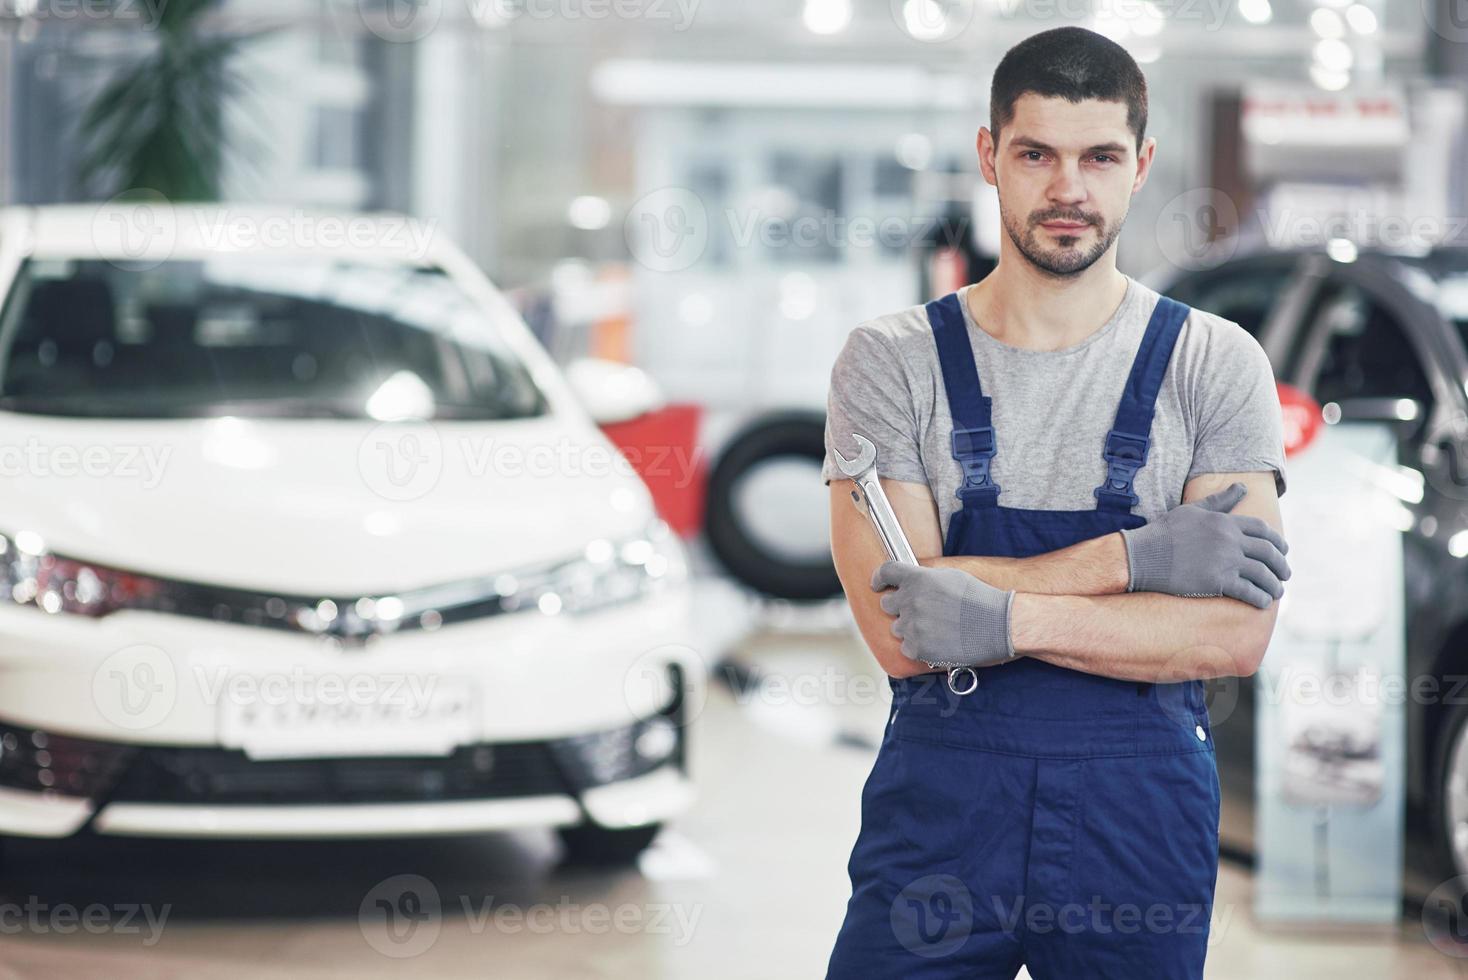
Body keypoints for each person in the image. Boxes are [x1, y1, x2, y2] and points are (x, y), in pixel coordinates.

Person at [821, 26, 1290, 980]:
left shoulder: (1214, 364)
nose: (1068, 189)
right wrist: (1136, 562)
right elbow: (902, 628)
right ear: (990, 156)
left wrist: (995, 614)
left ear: (1141, 164)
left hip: (1139, 820)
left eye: (1099, 157)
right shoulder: (892, 363)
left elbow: (1231, 638)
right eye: (1036, 154)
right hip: (943, 821)